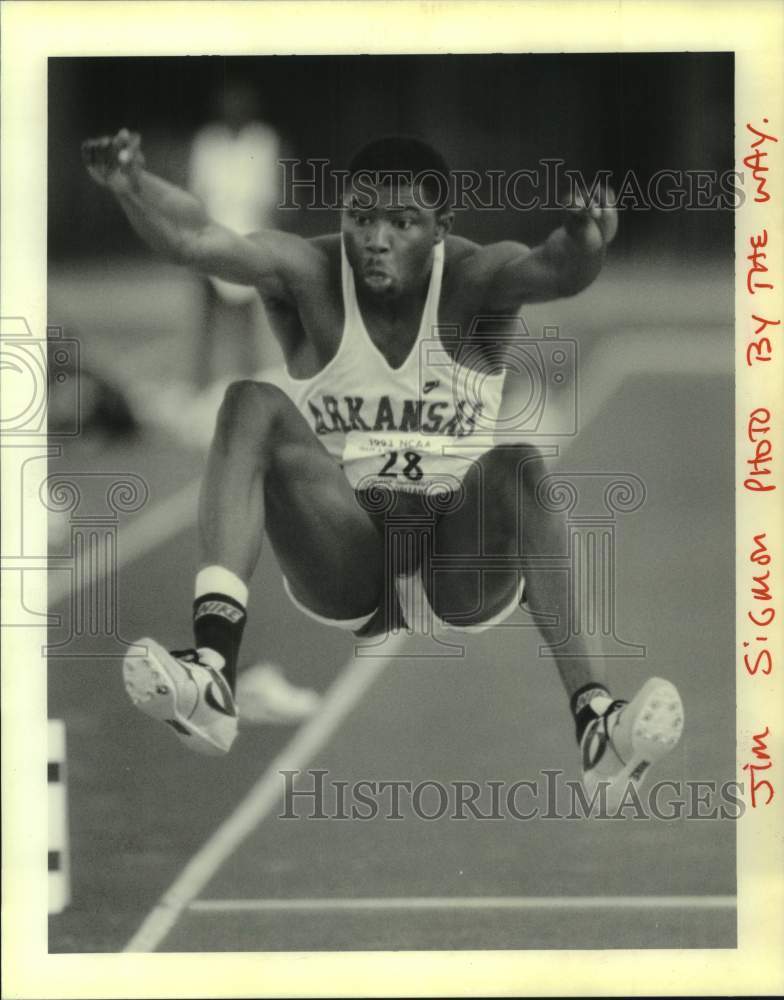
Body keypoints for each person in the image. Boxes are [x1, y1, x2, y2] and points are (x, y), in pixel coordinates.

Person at [82, 127, 683, 810]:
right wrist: (132, 185)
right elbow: (197, 240)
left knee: (518, 463)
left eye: (401, 223)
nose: (376, 238)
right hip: (347, 549)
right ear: (342, 217)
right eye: (361, 218)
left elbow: (558, 269)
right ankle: (213, 672)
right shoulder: (307, 274)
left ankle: (596, 724)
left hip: (458, 557)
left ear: (439, 229)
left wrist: (586, 237)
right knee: (250, 401)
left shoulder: (475, 279)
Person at [188, 82, 280, 387]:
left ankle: (250, 380)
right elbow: (197, 195)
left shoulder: (263, 142)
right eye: (229, 105)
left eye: (242, 105)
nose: (235, 111)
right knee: (207, 316)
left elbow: (270, 200)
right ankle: (199, 384)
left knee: (247, 318)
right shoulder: (208, 142)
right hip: (212, 235)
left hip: (248, 238)